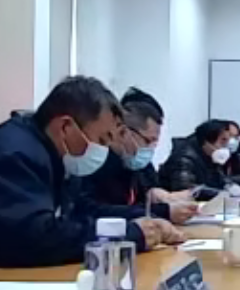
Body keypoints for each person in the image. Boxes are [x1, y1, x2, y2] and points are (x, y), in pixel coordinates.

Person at [0, 76, 182, 271]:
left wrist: (147, 221)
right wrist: (127, 235)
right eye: (101, 140)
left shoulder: (55, 155)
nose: (104, 151)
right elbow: (36, 238)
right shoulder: (14, 156)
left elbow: (81, 211)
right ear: (66, 127)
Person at [77, 87, 196, 225]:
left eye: (155, 142)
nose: (151, 148)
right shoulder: (95, 162)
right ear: (124, 132)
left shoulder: (133, 163)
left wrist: (155, 196)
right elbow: (94, 211)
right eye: (148, 141)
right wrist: (164, 212)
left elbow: (139, 203)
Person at [161, 119, 234, 192]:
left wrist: (233, 188)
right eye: (223, 140)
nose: (226, 146)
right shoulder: (184, 158)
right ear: (206, 141)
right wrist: (221, 193)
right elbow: (187, 190)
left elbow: (221, 180)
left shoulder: (211, 157)